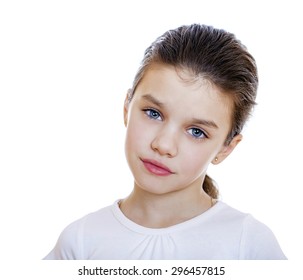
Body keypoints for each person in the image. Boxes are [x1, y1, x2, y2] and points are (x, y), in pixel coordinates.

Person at [44, 24, 286, 260]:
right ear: (127, 106)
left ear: (226, 148)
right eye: (153, 113)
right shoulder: (81, 243)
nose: (164, 145)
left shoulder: (249, 245)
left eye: (196, 132)